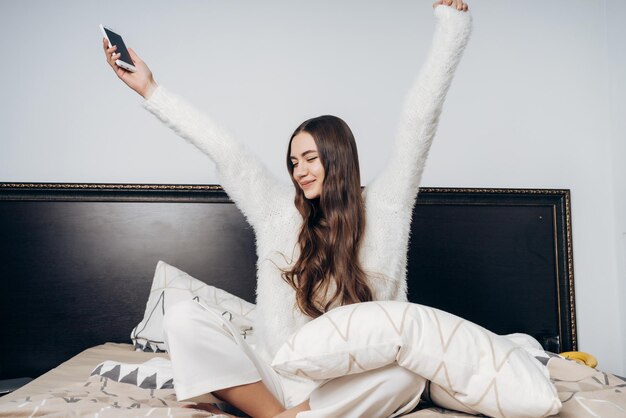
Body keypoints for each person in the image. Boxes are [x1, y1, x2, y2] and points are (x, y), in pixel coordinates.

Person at [103, 1, 471, 417]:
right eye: (294, 162)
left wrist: (451, 27)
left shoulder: (386, 207)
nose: (301, 171)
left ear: (339, 155)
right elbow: (227, 151)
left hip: (347, 385)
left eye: (311, 158)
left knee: (407, 376)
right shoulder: (278, 212)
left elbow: (419, 120)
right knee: (184, 315)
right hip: (278, 380)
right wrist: (152, 90)